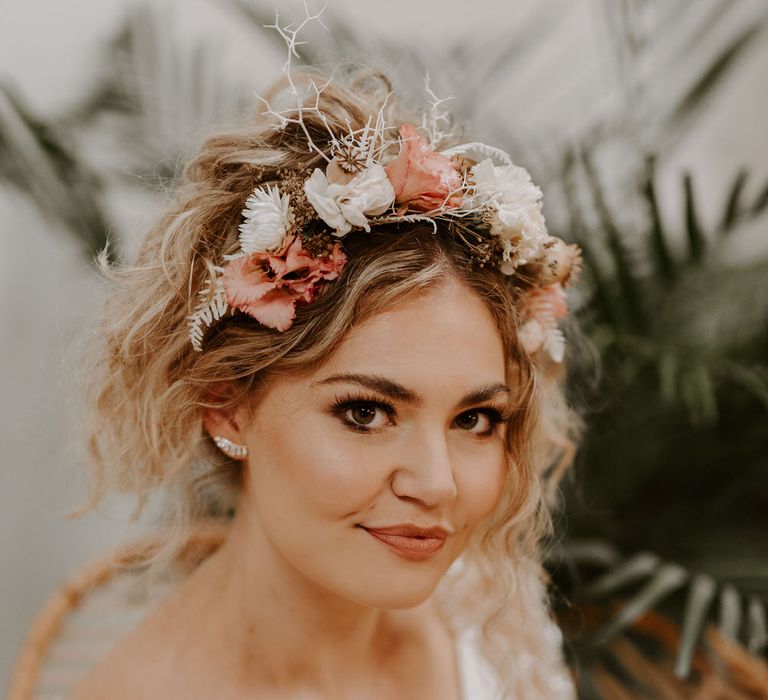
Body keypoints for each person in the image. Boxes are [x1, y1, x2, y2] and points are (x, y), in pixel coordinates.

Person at [66, 64, 583, 700]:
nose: (438, 484)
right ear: (226, 406)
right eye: (367, 412)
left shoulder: (482, 604)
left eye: (474, 419)